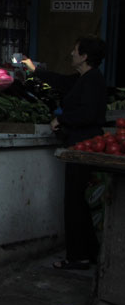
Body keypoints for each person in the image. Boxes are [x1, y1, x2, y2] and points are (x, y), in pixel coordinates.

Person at [21, 35, 107, 270]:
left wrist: (61, 119)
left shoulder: (92, 81)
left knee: (75, 201)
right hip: (79, 145)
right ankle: (89, 252)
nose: (71, 53)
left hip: (84, 146)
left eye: (75, 50)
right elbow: (61, 81)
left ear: (84, 56)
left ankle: (78, 257)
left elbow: (88, 114)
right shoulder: (84, 78)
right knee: (78, 200)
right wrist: (35, 70)